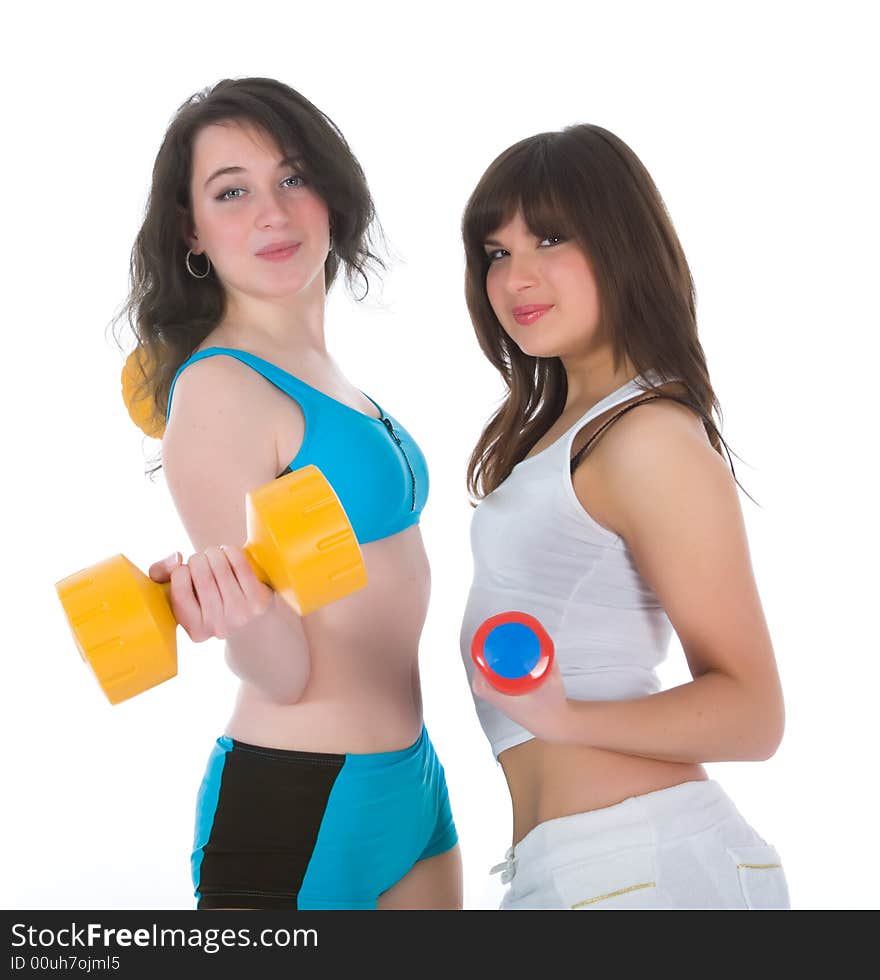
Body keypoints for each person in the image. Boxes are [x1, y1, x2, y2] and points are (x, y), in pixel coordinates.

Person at [117, 77, 461, 910]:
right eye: (231, 191)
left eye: (293, 177)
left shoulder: (329, 374)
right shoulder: (220, 390)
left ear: (330, 199)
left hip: (410, 778)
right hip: (299, 798)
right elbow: (281, 669)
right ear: (192, 233)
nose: (271, 211)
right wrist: (244, 611)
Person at [458, 124, 790, 910]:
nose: (516, 276)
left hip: (639, 867)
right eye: (496, 251)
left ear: (621, 244)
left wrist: (565, 718)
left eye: (550, 238)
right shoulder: (572, 432)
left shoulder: (648, 438)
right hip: (590, 866)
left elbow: (754, 713)